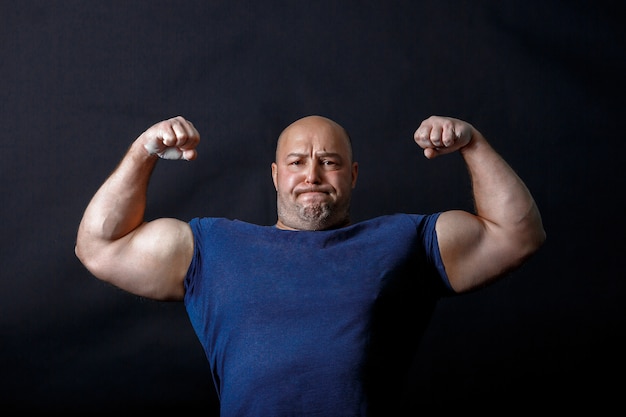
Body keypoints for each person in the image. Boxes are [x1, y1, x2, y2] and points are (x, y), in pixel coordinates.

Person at [75, 114, 545, 416]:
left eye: (330, 162)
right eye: (297, 162)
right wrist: (143, 151)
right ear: (276, 175)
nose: (312, 175)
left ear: (353, 174)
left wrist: (474, 144)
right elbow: (98, 245)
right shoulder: (211, 246)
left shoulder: (404, 240)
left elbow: (518, 235)